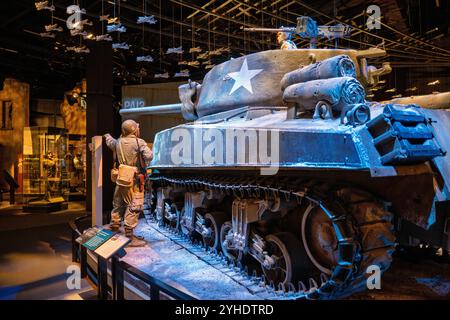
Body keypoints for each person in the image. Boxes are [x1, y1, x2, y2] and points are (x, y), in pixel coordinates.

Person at [104, 119, 153, 247]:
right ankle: (129, 235)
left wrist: (107, 136)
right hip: (134, 180)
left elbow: (110, 142)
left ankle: (114, 226)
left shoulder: (118, 142)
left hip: (121, 178)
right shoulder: (139, 142)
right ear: (134, 130)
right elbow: (149, 156)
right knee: (134, 205)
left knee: (118, 202)